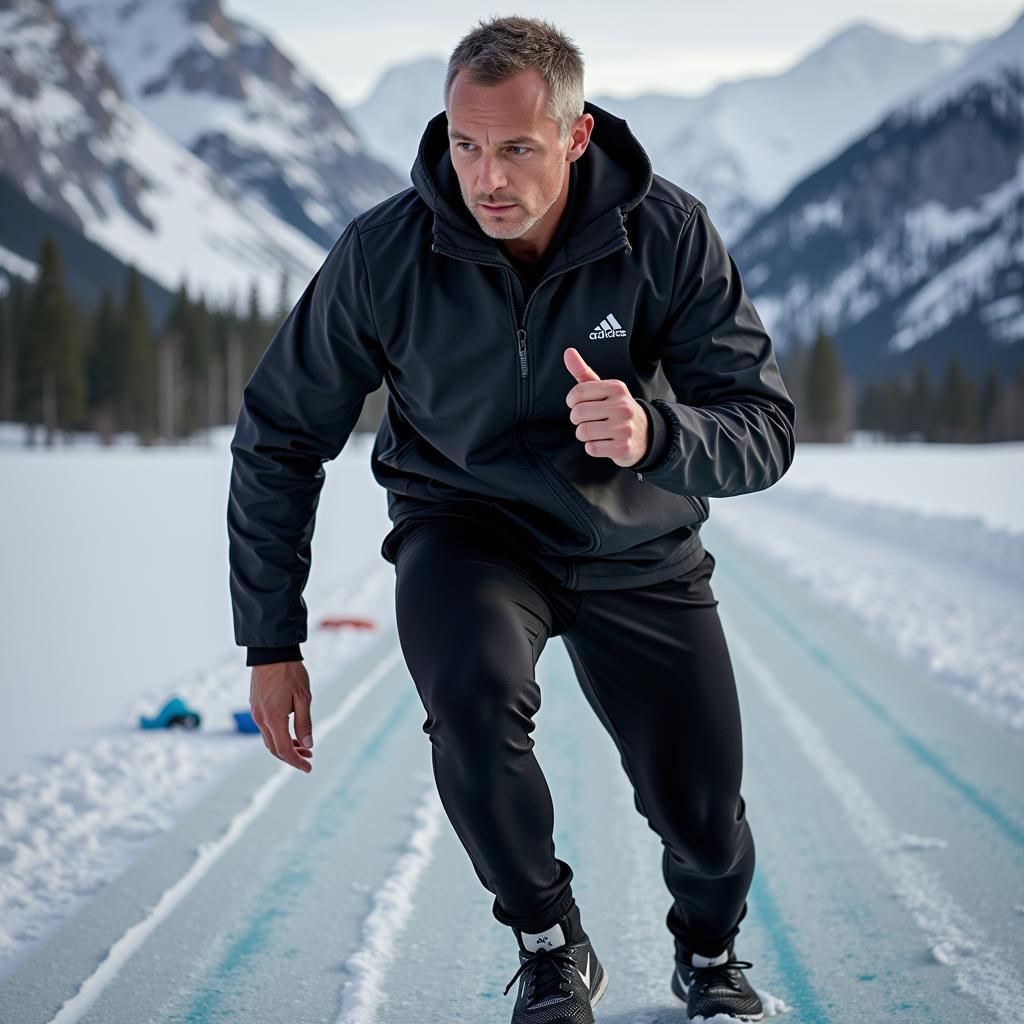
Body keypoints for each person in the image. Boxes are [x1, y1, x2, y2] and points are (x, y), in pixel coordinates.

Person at [227, 15, 794, 1024]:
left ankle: (707, 954)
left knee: (706, 822)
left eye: (517, 148)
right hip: (468, 531)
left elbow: (765, 427)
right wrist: (270, 639)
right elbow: (278, 433)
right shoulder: (385, 255)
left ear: (575, 139)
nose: (486, 176)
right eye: (466, 143)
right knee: (474, 710)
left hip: (640, 546)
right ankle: (549, 942)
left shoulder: (664, 233)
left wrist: (654, 433)